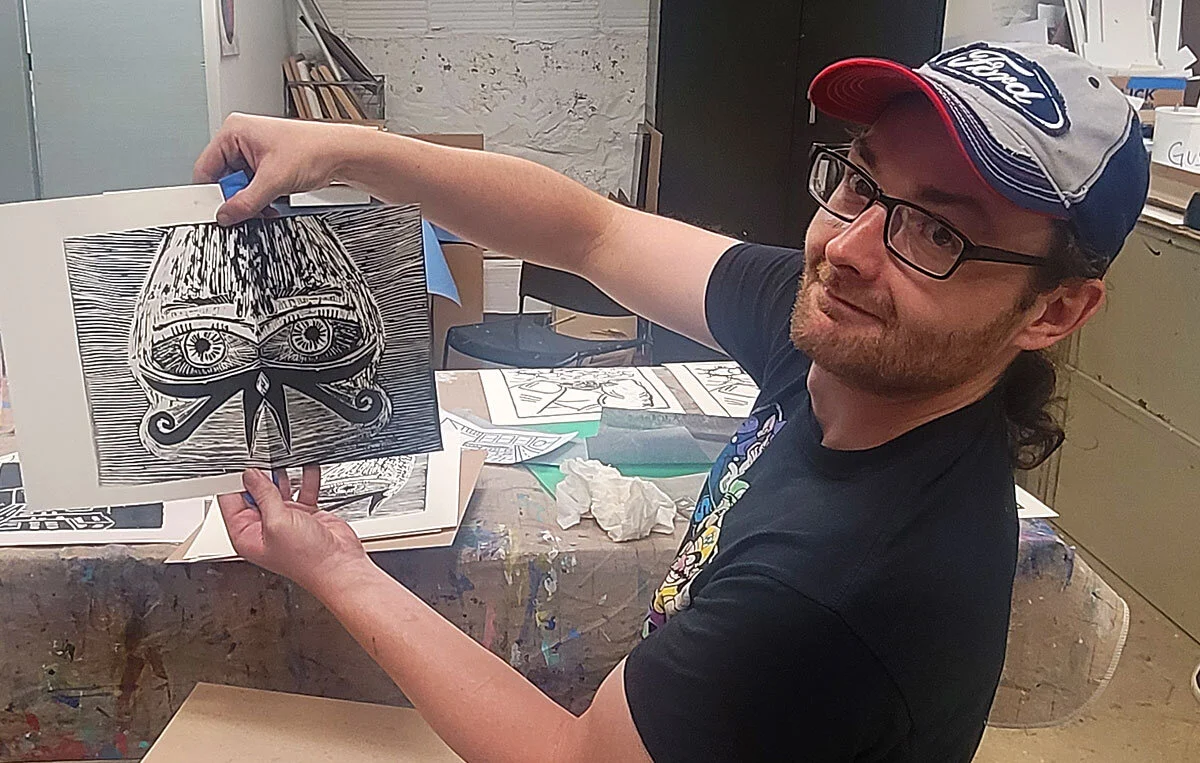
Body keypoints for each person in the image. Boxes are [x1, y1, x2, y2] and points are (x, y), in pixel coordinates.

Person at [197, 41, 1149, 762]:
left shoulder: (833, 587)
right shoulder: (858, 336)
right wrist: (342, 153)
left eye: (938, 231)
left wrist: (335, 565)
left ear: (1056, 309)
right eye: (861, 181)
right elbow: (592, 232)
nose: (849, 248)